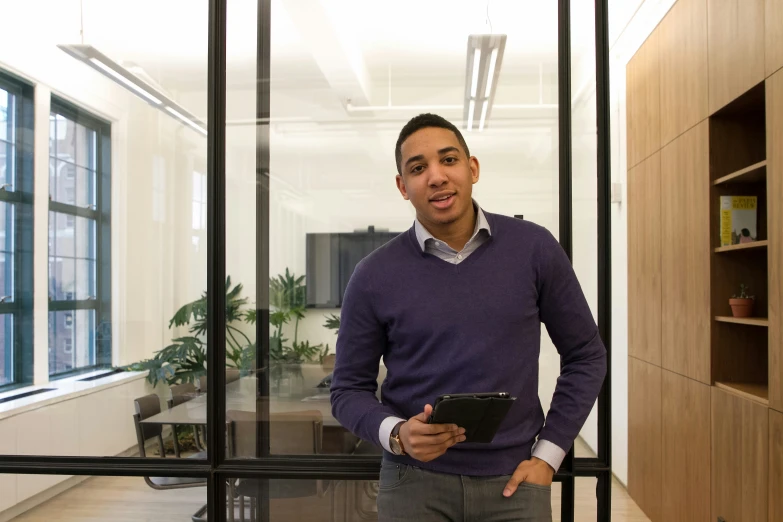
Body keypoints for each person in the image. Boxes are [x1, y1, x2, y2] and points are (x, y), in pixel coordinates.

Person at [330, 113, 606, 522]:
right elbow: (347, 390)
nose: (436, 177)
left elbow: (586, 355)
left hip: (515, 482)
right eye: (418, 168)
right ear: (402, 187)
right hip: (413, 486)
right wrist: (397, 434)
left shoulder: (534, 249)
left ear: (472, 168)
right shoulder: (373, 275)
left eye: (449, 160)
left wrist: (549, 454)